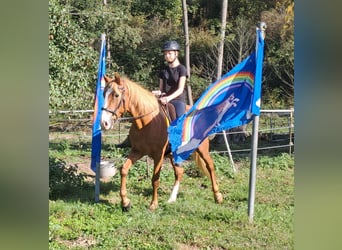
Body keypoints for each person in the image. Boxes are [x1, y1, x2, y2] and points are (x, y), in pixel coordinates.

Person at [157, 41, 188, 118]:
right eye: (165, 54)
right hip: (163, 99)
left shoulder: (182, 69)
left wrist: (168, 98)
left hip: (177, 100)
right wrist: (156, 93)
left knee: (179, 122)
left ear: (176, 54)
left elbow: (180, 89)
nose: (167, 56)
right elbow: (161, 89)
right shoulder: (163, 70)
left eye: (169, 53)